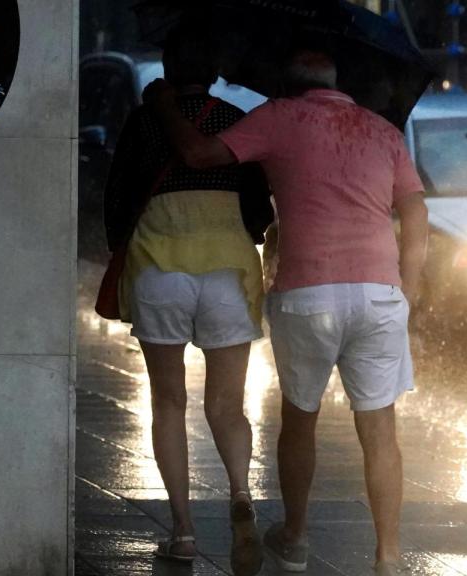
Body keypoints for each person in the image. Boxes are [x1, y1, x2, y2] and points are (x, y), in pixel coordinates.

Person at [144, 47, 429, 575]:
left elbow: (200, 156)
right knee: (381, 430)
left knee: (301, 419)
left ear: (287, 82)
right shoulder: (382, 130)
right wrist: (407, 285)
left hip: (309, 294)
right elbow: (414, 208)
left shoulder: (279, 116)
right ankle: (388, 557)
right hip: (379, 294)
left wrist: (163, 105)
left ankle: (294, 538)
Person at [102, 26, 273, 574]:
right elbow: (259, 211)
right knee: (227, 405)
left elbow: (116, 197)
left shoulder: (146, 121)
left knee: (168, 403)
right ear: (216, 70)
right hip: (227, 270)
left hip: (158, 267)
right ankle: (241, 492)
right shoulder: (234, 122)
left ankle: (181, 531)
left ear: (167, 71)